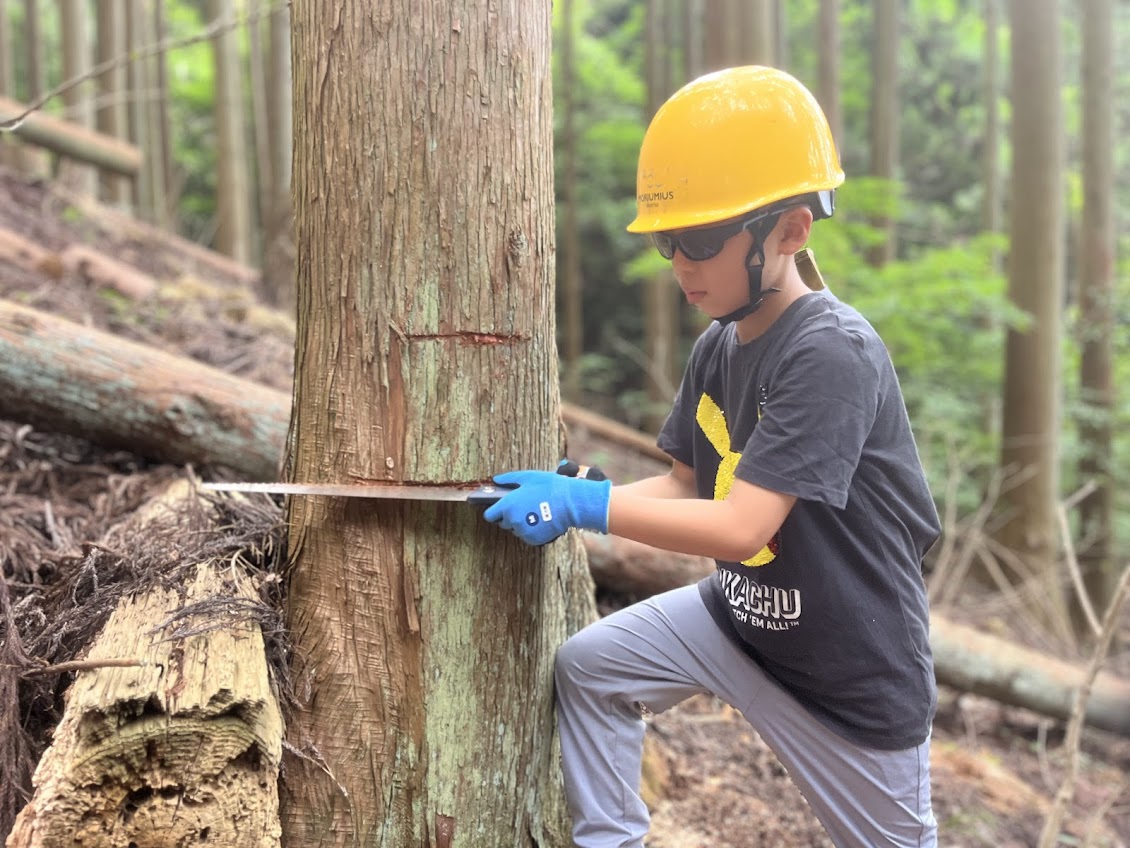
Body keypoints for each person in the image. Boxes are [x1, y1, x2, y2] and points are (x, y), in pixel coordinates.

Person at [484, 65, 941, 848]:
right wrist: (596, 487)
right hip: (739, 624)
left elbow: (740, 526)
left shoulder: (833, 354)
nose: (680, 264)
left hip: (850, 679)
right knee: (591, 671)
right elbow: (684, 483)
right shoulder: (718, 345)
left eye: (699, 239)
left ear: (790, 231)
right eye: (667, 241)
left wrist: (587, 512)